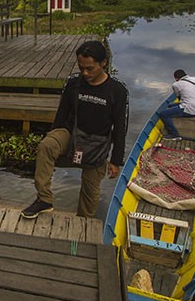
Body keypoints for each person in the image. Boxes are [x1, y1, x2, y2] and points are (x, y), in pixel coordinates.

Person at [21, 40, 129, 219]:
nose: (85, 73)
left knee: (90, 191)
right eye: (81, 68)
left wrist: (116, 160)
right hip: (71, 134)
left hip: (98, 142)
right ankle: (44, 200)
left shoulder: (117, 90)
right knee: (46, 146)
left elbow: (120, 126)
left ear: (103, 63)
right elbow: (61, 114)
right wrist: (54, 135)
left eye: (90, 68)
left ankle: (83, 223)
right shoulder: (73, 83)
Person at [157, 69, 195, 140]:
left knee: (163, 114)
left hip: (190, 110)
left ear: (176, 78)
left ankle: (174, 134)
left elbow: (179, 97)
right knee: (171, 105)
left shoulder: (176, 85)